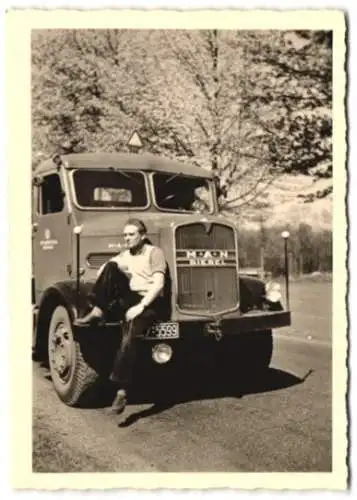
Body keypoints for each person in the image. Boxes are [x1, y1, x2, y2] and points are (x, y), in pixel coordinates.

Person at [75, 218, 169, 415]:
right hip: (133, 297)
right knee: (110, 267)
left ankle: (122, 389)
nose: (127, 238)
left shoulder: (155, 253)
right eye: (125, 235)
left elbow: (159, 284)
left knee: (130, 334)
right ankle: (98, 311)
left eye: (131, 234)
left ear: (142, 236)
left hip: (151, 301)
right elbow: (106, 268)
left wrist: (141, 307)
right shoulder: (126, 254)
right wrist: (109, 271)